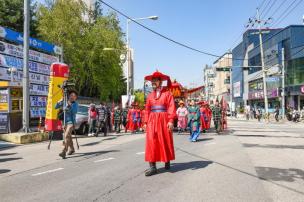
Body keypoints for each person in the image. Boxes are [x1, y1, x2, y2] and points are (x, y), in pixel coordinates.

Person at [143, 71, 176, 176]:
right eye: (152, 81)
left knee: (165, 140)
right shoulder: (150, 96)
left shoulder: (168, 94)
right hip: (152, 120)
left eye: (155, 80)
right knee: (151, 141)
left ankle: (167, 160)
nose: (153, 82)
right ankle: (152, 167)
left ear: (160, 82)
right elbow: (147, 110)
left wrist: (170, 121)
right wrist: (145, 122)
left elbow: (171, 107)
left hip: (164, 119)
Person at [55, 90, 79, 159]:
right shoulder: (64, 101)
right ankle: (72, 149)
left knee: (66, 135)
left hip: (71, 122)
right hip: (64, 122)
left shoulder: (75, 104)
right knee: (68, 136)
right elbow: (55, 107)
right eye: (71, 95)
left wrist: (69, 106)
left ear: (76, 98)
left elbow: (74, 111)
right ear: (69, 96)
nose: (73, 97)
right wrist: (60, 101)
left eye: (74, 96)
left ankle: (63, 151)